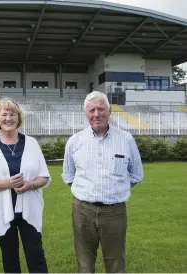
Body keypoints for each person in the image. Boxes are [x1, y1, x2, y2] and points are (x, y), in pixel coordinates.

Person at [62, 91, 144, 273]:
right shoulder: (75, 141)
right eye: (92, 110)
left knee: (116, 263)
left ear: (110, 110)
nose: (97, 114)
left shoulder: (126, 139)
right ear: (86, 113)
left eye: (101, 109)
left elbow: (137, 174)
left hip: (115, 212)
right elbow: (68, 176)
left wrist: (115, 188)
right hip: (82, 211)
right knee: (84, 263)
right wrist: (88, 192)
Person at [0, 98, 50, 273]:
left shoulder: (31, 143)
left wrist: (30, 185)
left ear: (19, 118)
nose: (9, 118)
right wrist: (7, 183)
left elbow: (44, 176)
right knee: (10, 260)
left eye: (12, 114)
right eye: (4, 114)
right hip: (2, 212)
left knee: (36, 256)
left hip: (29, 210)